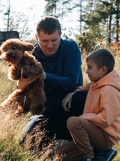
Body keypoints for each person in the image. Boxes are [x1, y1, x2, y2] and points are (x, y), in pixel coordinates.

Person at [20, 16, 86, 148]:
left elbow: (72, 82)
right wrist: (22, 84)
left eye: (54, 40)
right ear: (37, 38)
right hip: (47, 112)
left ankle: (90, 149)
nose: (50, 45)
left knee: (82, 97)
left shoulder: (70, 48)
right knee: (25, 143)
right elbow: (23, 90)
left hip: (72, 108)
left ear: (60, 35)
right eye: (44, 41)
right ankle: (53, 151)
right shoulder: (31, 57)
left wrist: (44, 76)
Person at [56, 48, 120, 161]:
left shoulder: (109, 90)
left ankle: (91, 159)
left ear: (103, 70)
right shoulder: (96, 83)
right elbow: (85, 87)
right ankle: (99, 154)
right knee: (55, 157)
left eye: (90, 67)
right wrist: (73, 93)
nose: (86, 71)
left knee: (73, 121)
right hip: (92, 134)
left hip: (105, 137)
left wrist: (83, 118)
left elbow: (106, 120)